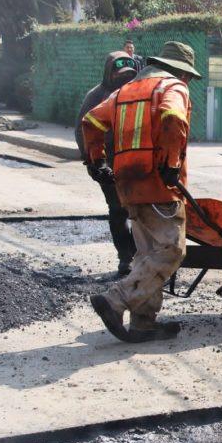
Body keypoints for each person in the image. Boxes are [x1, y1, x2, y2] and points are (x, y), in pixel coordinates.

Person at [82, 41, 201, 343]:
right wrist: (172, 164)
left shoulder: (124, 92)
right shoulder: (172, 87)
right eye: (187, 75)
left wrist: (97, 161)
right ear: (181, 71)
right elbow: (173, 118)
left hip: (127, 183)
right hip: (159, 184)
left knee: (147, 253)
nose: (187, 81)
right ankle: (115, 300)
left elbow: (91, 121)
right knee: (172, 250)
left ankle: (143, 323)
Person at [75, 52, 139, 276]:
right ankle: (126, 258)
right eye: (120, 74)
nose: (125, 78)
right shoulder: (97, 96)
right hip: (108, 164)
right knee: (118, 210)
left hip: (135, 162)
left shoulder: (139, 92)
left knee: (140, 211)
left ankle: (142, 256)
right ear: (109, 73)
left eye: (130, 74)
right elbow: (83, 129)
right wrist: (94, 163)